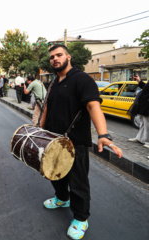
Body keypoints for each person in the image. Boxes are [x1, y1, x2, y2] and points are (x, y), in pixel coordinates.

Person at [39, 44, 123, 240]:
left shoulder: (82, 80)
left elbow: (93, 106)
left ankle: (81, 218)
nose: (55, 59)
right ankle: (61, 198)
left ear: (68, 57)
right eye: (52, 57)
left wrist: (104, 135)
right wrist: (39, 129)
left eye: (59, 55)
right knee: (54, 173)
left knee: (77, 182)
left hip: (74, 142)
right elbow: (47, 106)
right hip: (53, 139)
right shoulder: (53, 82)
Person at [128, 75, 149, 147]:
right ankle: (140, 138)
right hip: (144, 106)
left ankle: (148, 142)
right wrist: (139, 81)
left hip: (147, 106)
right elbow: (146, 88)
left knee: (147, 125)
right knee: (143, 123)